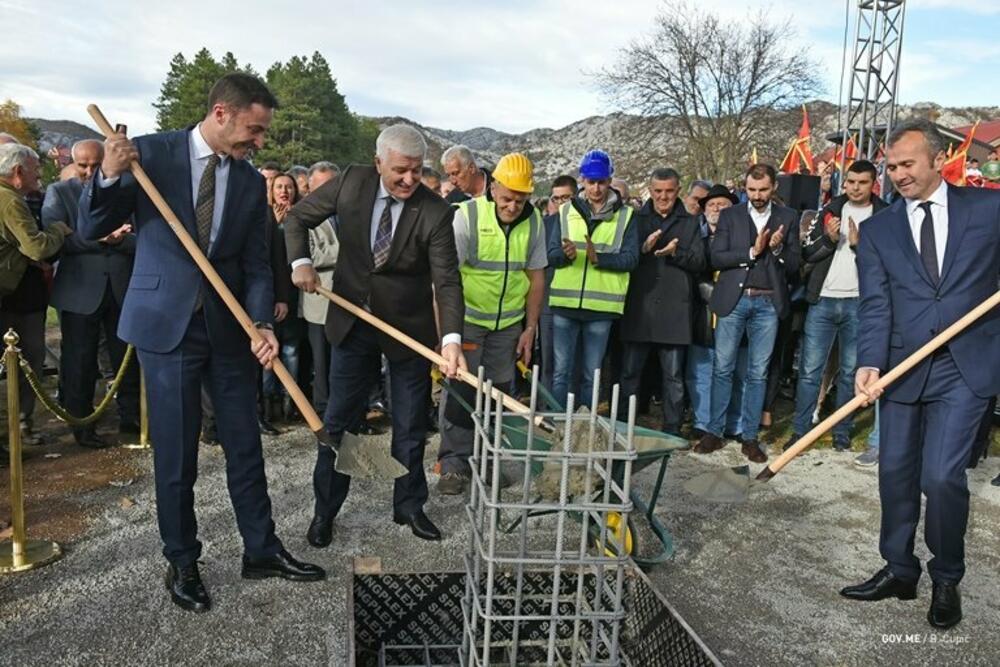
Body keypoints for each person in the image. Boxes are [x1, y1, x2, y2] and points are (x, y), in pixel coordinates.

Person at [79, 73, 325, 614]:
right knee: (177, 453)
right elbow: (89, 225)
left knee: (245, 445)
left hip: (229, 329)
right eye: (253, 129)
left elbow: (257, 263)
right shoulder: (152, 155)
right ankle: (182, 560)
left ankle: (260, 549)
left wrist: (261, 322)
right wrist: (111, 174)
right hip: (166, 328)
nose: (259, 141)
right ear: (221, 113)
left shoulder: (243, 179)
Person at [843, 119, 1000, 631]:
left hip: (966, 367)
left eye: (907, 164)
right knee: (895, 476)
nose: (898, 175)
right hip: (903, 368)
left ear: (936, 160)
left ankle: (947, 576)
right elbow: (875, 305)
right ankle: (900, 569)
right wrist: (868, 363)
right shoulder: (879, 229)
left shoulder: (988, 209)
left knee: (942, 477)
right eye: (891, 167)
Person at [284, 123, 466, 546]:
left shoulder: (436, 213)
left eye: (417, 172)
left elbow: (447, 281)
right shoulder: (350, 182)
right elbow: (297, 219)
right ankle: (325, 510)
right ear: (378, 161)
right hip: (352, 324)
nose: (408, 180)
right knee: (339, 423)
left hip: (407, 330)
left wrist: (451, 339)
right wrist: (300, 264)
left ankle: (409, 507)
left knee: (409, 425)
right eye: (400, 170)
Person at [436, 153, 546, 495]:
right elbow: (444, 278)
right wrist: (445, 337)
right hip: (467, 322)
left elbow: (537, 276)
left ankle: (487, 463)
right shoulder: (467, 216)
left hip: (508, 325)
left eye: (521, 198)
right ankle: (454, 465)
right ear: (494, 186)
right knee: (462, 390)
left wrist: (530, 327)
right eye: (507, 197)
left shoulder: (536, 221)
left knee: (497, 394)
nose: (513, 206)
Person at [693, 163, 800, 463]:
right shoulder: (730, 215)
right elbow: (717, 257)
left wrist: (777, 250)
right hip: (734, 300)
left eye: (763, 189)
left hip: (768, 304)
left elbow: (794, 265)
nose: (757, 195)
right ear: (745, 188)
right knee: (723, 368)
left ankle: (749, 437)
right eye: (752, 190)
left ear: (774, 187)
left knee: (757, 373)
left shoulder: (788, 217)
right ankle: (714, 432)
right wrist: (753, 252)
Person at [43, 139, 140, 448]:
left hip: (122, 289)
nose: (87, 171)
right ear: (72, 163)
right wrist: (103, 239)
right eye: (82, 165)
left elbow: (141, 240)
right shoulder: (59, 193)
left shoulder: (126, 192)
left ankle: (131, 417)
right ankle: (81, 423)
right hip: (78, 292)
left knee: (126, 357)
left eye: (94, 165)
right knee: (79, 361)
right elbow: (58, 240)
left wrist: (115, 242)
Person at [785, 160, 887, 453]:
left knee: (849, 373)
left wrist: (859, 246)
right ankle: (800, 430)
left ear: (873, 183)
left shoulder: (884, 216)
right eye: (851, 182)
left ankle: (841, 431)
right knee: (809, 371)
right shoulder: (828, 210)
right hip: (824, 301)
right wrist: (829, 240)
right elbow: (808, 254)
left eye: (862, 182)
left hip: (859, 303)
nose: (855, 188)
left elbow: (885, 264)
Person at [547, 149, 638, 409]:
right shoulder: (565, 212)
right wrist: (564, 255)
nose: (596, 188)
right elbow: (551, 255)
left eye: (601, 182)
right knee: (561, 373)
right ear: (582, 181)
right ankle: (557, 428)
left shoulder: (626, 216)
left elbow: (631, 260)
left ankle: (586, 431)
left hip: (601, 310)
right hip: (565, 305)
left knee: (591, 375)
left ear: (610, 180)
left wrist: (599, 259)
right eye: (590, 182)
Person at [620, 168, 705, 434]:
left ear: (678, 190)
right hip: (640, 307)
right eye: (658, 191)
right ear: (650, 189)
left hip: (674, 310)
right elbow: (624, 258)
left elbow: (700, 262)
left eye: (669, 191)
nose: (663, 196)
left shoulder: (691, 222)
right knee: (630, 373)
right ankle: (622, 423)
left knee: (674, 377)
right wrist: (643, 250)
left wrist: (675, 253)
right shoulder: (635, 219)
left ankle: (672, 428)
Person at [0, 143, 72, 455]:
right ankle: (20, 428)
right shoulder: (10, 201)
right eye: (34, 169)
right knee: (27, 361)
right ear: (17, 172)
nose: (39, 175)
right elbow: (37, 248)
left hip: (22, 295)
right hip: (13, 297)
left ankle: (21, 428)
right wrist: (58, 230)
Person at [686, 184, 746, 440]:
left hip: (737, 310)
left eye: (723, 204)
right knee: (700, 370)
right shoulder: (694, 237)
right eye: (712, 204)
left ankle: (736, 424)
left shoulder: (745, 237)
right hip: (702, 313)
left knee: (738, 372)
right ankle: (702, 421)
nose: (717, 209)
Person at [300, 162, 341, 415]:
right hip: (320, 306)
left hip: (351, 304)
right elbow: (310, 257)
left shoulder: (351, 213)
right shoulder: (302, 217)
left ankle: (347, 416)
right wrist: (351, 252)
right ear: (310, 188)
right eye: (323, 186)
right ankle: (324, 418)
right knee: (323, 365)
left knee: (345, 365)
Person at [540, 175, 577, 390]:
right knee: (548, 362)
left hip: (576, 303)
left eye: (566, 198)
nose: (561, 203)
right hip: (548, 303)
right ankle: (546, 411)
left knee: (571, 363)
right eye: (556, 199)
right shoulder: (544, 226)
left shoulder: (586, 222)